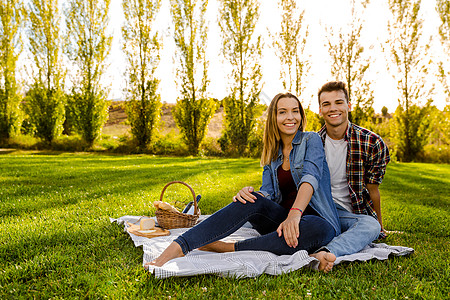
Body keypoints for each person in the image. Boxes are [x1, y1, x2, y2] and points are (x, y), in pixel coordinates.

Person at [146, 92, 341, 272]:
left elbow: (310, 178)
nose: (290, 117)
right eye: (283, 112)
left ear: (301, 116)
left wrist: (295, 215)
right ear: (274, 118)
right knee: (250, 199)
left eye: (295, 111)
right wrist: (250, 195)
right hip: (281, 223)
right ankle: (180, 246)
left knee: (316, 227)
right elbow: (268, 193)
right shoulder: (273, 153)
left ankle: (226, 248)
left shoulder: (311, 140)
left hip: (315, 221)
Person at [315, 81, 390, 267]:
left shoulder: (372, 143)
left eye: (339, 102)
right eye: (326, 104)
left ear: (349, 105)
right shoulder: (312, 143)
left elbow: (373, 190)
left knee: (370, 226)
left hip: (350, 214)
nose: (333, 108)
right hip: (320, 211)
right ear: (320, 110)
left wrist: (380, 227)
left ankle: (326, 252)